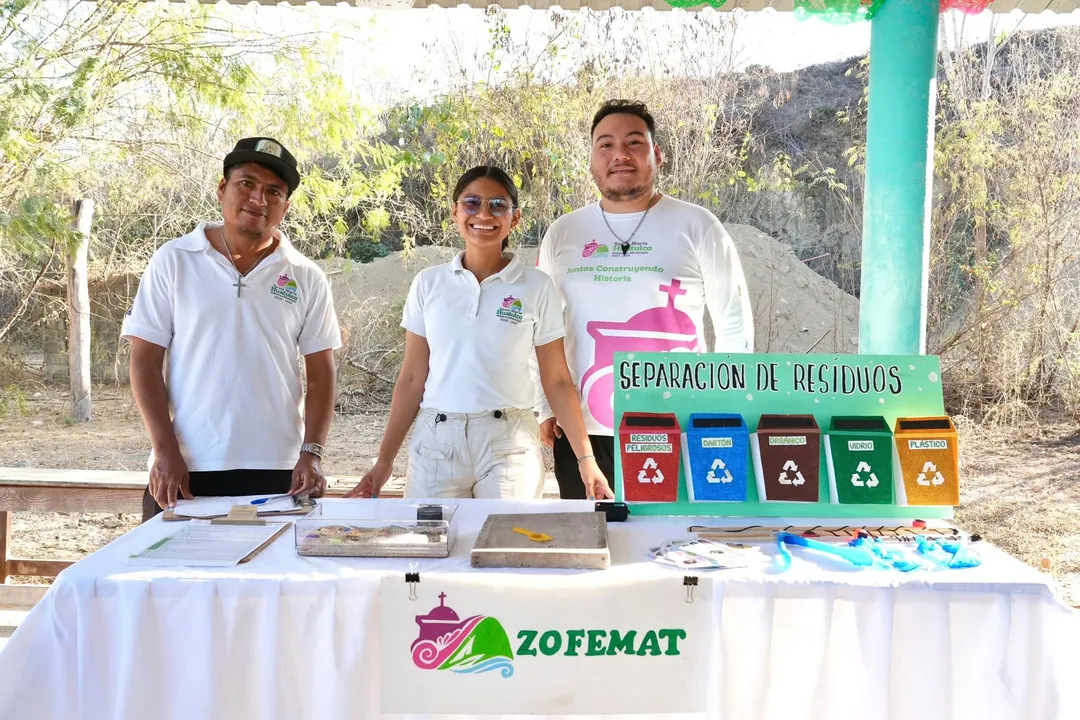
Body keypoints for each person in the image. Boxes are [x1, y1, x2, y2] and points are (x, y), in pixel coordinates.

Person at [345, 166, 612, 501]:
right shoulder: (429, 284)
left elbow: (557, 379)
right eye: (471, 203)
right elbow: (412, 378)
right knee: (431, 544)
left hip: (509, 445)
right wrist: (384, 462)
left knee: (505, 548)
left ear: (515, 218)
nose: (484, 214)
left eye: (498, 205)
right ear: (455, 212)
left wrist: (586, 460)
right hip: (436, 444)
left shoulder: (537, 287)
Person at [532, 100, 755, 499]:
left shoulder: (698, 225)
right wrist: (544, 406)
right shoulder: (563, 233)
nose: (620, 154)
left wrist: (722, 411)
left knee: (675, 544)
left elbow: (733, 323)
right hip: (584, 432)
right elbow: (543, 329)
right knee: (591, 539)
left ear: (658, 156)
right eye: (606, 145)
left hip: (677, 423)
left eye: (634, 142)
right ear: (591, 161)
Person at [123, 137, 342, 521]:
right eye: (247, 183)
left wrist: (312, 454)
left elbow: (322, 375)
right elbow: (143, 361)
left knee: (274, 581)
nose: (259, 199)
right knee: (175, 579)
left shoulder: (306, 276)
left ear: (285, 208)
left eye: (273, 191)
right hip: (188, 470)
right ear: (223, 188)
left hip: (281, 473)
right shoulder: (174, 260)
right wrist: (165, 451)